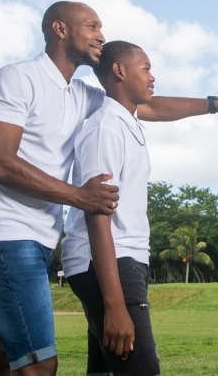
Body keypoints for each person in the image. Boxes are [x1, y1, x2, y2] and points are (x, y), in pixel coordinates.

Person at [0, 1, 218, 376]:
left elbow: (147, 107)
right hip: (4, 235)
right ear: (60, 29)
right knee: (39, 366)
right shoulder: (17, 79)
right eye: (91, 26)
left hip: (40, 239)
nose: (100, 36)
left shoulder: (82, 96)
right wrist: (78, 196)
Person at [63, 41, 160, 375]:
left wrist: (216, 105)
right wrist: (115, 306)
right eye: (145, 68)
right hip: (108, 263)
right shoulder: (105, 128)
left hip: (123, 260)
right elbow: (96, 213)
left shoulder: (126, 123)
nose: (152, 77)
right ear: (119, 71)